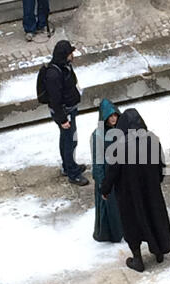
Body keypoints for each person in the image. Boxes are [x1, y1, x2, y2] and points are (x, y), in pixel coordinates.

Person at [101, 109, 170, 272]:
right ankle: (159, 252)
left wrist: (105, 190)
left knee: (132, 224)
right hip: (151, 191)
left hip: (129, 195)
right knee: (154, 217)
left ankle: (138, 260)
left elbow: (112, 172)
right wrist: (157, 181)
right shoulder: (152, 139)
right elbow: (161, 164)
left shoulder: (119, 147)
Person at [46, 40, 89, 186]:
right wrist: (63, 119)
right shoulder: (54, 74)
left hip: (69, 110)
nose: (73, 55)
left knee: (67, 139)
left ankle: (68, 166)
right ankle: (72, 172)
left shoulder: (64, 67)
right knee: (70, 141)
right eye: (71, 53)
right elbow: (55, 99)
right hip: (65, 113)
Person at [91, 99, 123, 243]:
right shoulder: (98, 135)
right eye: (110, 116)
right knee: (109, 206)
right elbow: (97, 162)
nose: (113, 119)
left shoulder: (121, 130)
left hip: (119, 173)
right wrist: (101, 182)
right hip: (107, 175)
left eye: (115, 115)